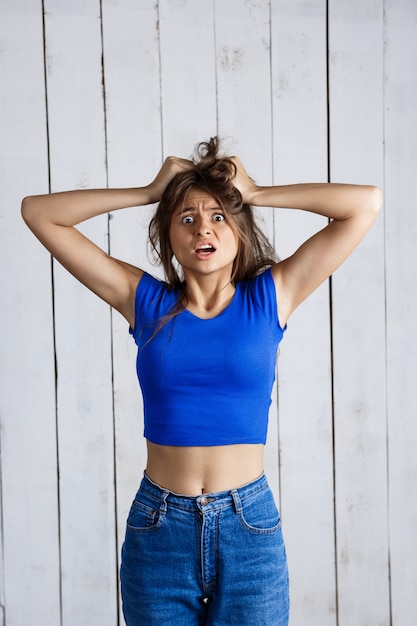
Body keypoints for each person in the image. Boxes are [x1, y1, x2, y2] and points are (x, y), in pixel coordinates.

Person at [21, 137, 383, 625]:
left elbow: (365, 205)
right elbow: (39, 212)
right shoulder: (145, 302)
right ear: (168, 237)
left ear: (239, 232)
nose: (202, 228)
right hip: (159, 526)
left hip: (248, 528)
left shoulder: (271, 297)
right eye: (186, 218)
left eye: (218, 217)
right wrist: (148, 192)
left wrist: (254, 192)